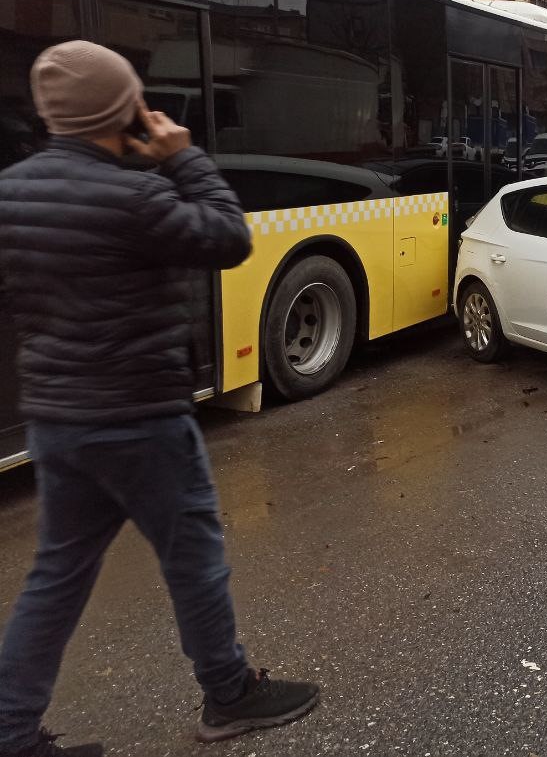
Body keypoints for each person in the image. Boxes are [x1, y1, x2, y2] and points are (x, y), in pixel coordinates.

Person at [0, 42, 320, 757]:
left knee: (56, 575)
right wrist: (181, 155)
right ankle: (229, 693)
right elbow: (229, 236)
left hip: (56, 421)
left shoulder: (11, 191)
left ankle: (10, 731)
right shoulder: (137, 193)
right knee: (193, 559)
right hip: (139, 418)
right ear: (125, 110)